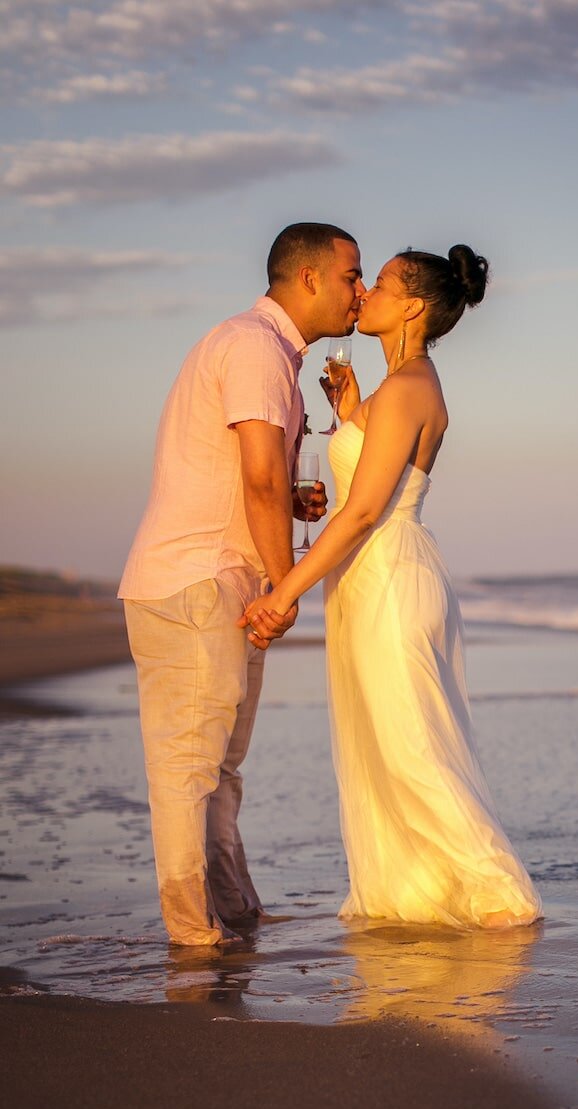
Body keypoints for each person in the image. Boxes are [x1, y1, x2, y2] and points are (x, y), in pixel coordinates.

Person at [241, 245, 541, 931]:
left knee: (411, 745)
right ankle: (419, 898)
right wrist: (349, 412)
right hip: (370, 579)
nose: (364, 294)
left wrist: (283, 589)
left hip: (390, 577)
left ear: (410, 305)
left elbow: (368, 508)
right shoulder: (398, 387)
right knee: (382, 744)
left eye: (378, 284)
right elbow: (367, 476)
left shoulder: (409, 389)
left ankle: (502, 899)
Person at [119, 222, 364, 948]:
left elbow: (254, 479)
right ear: (310, 278)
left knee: (219, 768)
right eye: (352, 275)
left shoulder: (266, 354)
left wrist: (293, 503)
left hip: (217, 581)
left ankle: (235, 912)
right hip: (196, 583)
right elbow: (257, 477)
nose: (360, 290)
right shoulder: (256, 346)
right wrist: (286, 587)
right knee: (190, 768)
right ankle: (192, 933)